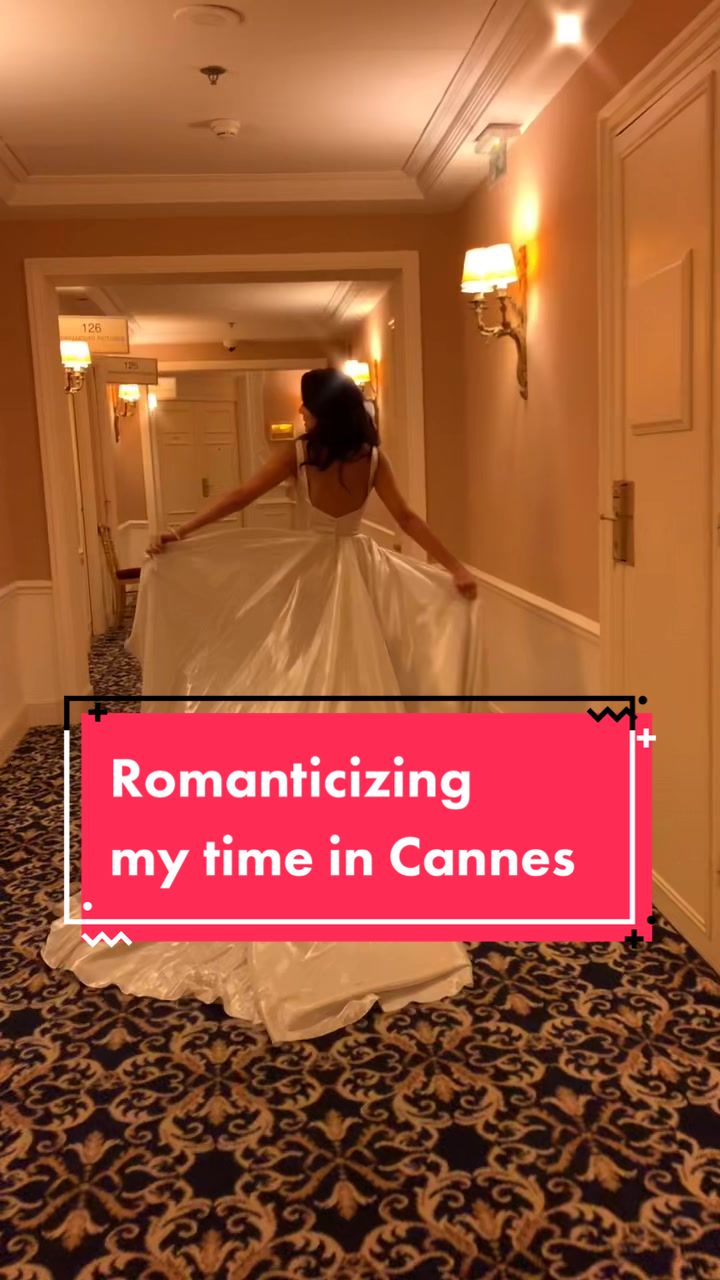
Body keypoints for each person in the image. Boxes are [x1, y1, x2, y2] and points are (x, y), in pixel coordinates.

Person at [42, 369, 482, 1041]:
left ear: (316, 410)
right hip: (352, 579)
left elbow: (240, 495)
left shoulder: (301, 455)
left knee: (293, 685)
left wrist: (182, 532)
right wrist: (455, 568)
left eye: (304, 405)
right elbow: (409, 520)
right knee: (353, 692)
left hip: (310, 581)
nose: (300, 413)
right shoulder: (372, 457)